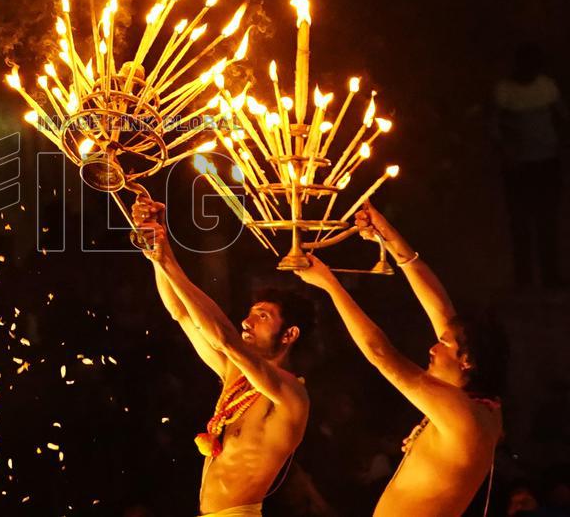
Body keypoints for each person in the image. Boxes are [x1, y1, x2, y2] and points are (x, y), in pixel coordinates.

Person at [294, 202, 506, 517]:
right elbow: (440, 306)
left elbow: (381, 355)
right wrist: (389, 237)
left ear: (468, 361)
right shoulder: (480, 405)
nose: (433, 349)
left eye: (443, 344)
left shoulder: (464, 415)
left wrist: (330, 285)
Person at [132, 196, 312, 517]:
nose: (247, 322)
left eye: (263, 316)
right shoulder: (235, 374)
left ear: (290, 335)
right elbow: (181, 314)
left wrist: (168, 261)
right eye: (251, 314)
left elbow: (225, 339)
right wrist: (158, 248)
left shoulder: (291, 395)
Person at [493, 43, 567, 288]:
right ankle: (525, 277)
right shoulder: (505, 91)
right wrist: (505, 153)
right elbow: (494, 126)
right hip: (518, 165)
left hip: (546, 162)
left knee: (546, 220)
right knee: (521, 222)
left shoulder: (546, 87)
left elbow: (562, 117)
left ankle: (549, 276)